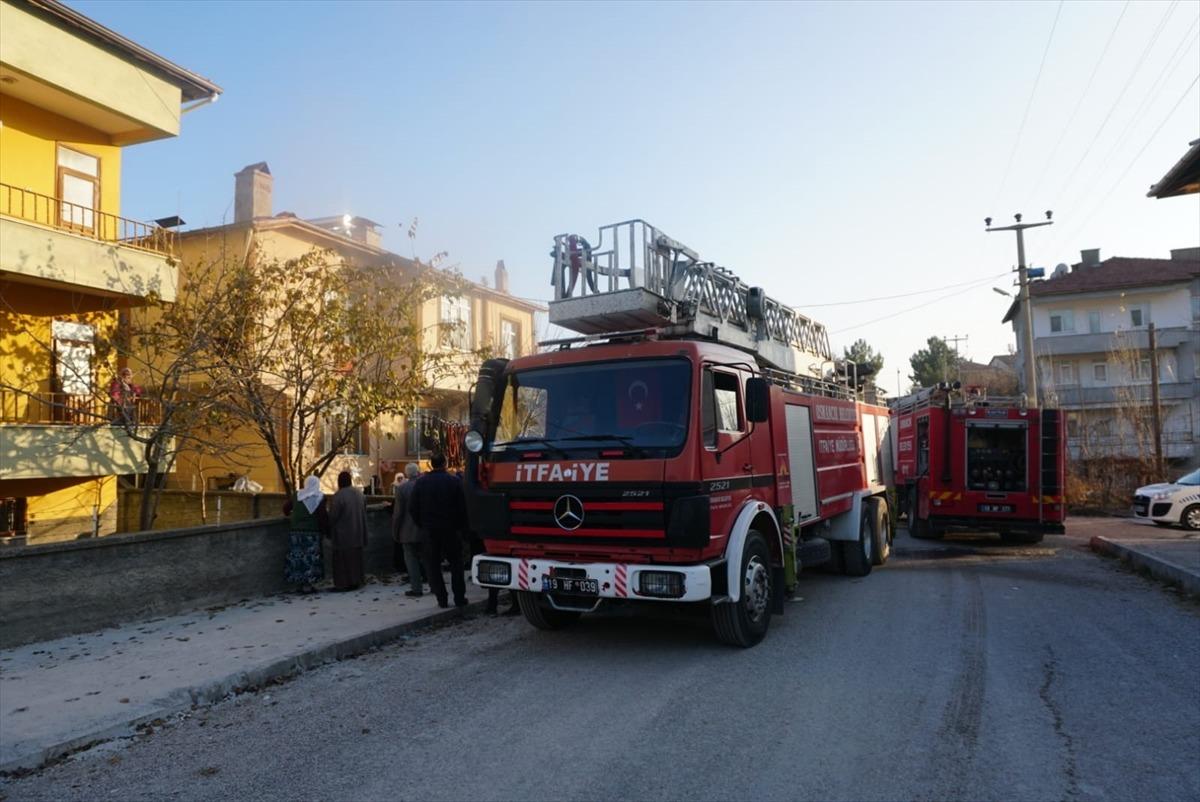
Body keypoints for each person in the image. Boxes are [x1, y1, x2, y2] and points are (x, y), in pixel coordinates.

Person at [409, 452, 468, 609]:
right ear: (445, 463)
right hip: (450, 529)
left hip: (430, 530)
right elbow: (463, 507)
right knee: (456, 564)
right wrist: (461, 527)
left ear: (431, 464)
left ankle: (441, 599)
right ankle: (459, 597)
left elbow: (412, 507)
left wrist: (422, 524)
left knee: (433, 566)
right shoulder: (454, 481)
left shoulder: (421, 483)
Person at [283, 475, 327, 593]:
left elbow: (286, 508)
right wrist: (326, 531)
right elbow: (322, 516)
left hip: (295, 532)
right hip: (312, 533)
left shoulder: (298, 495)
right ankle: (308, 585)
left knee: (298, 559)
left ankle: (300, 584)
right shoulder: (319, 497)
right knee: (310, 559)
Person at [327, 471, 368, 591]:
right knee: (356, 559)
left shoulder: (339, 496)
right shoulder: (359, 493)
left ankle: (344, 584)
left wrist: (328, 528)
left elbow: (333, 516)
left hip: (344, 534)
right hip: (359, 531)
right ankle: (358, 581)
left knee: (342, 561)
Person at [391, 462, 426, 597]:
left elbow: (398, 513)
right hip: (425, 529)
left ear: (406, 474)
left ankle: (416, 588)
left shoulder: (402, 489)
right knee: (428, 558)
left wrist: (395, 530)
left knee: (411, 560)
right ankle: (435, 586)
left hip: (408, 529)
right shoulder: (425, 486)